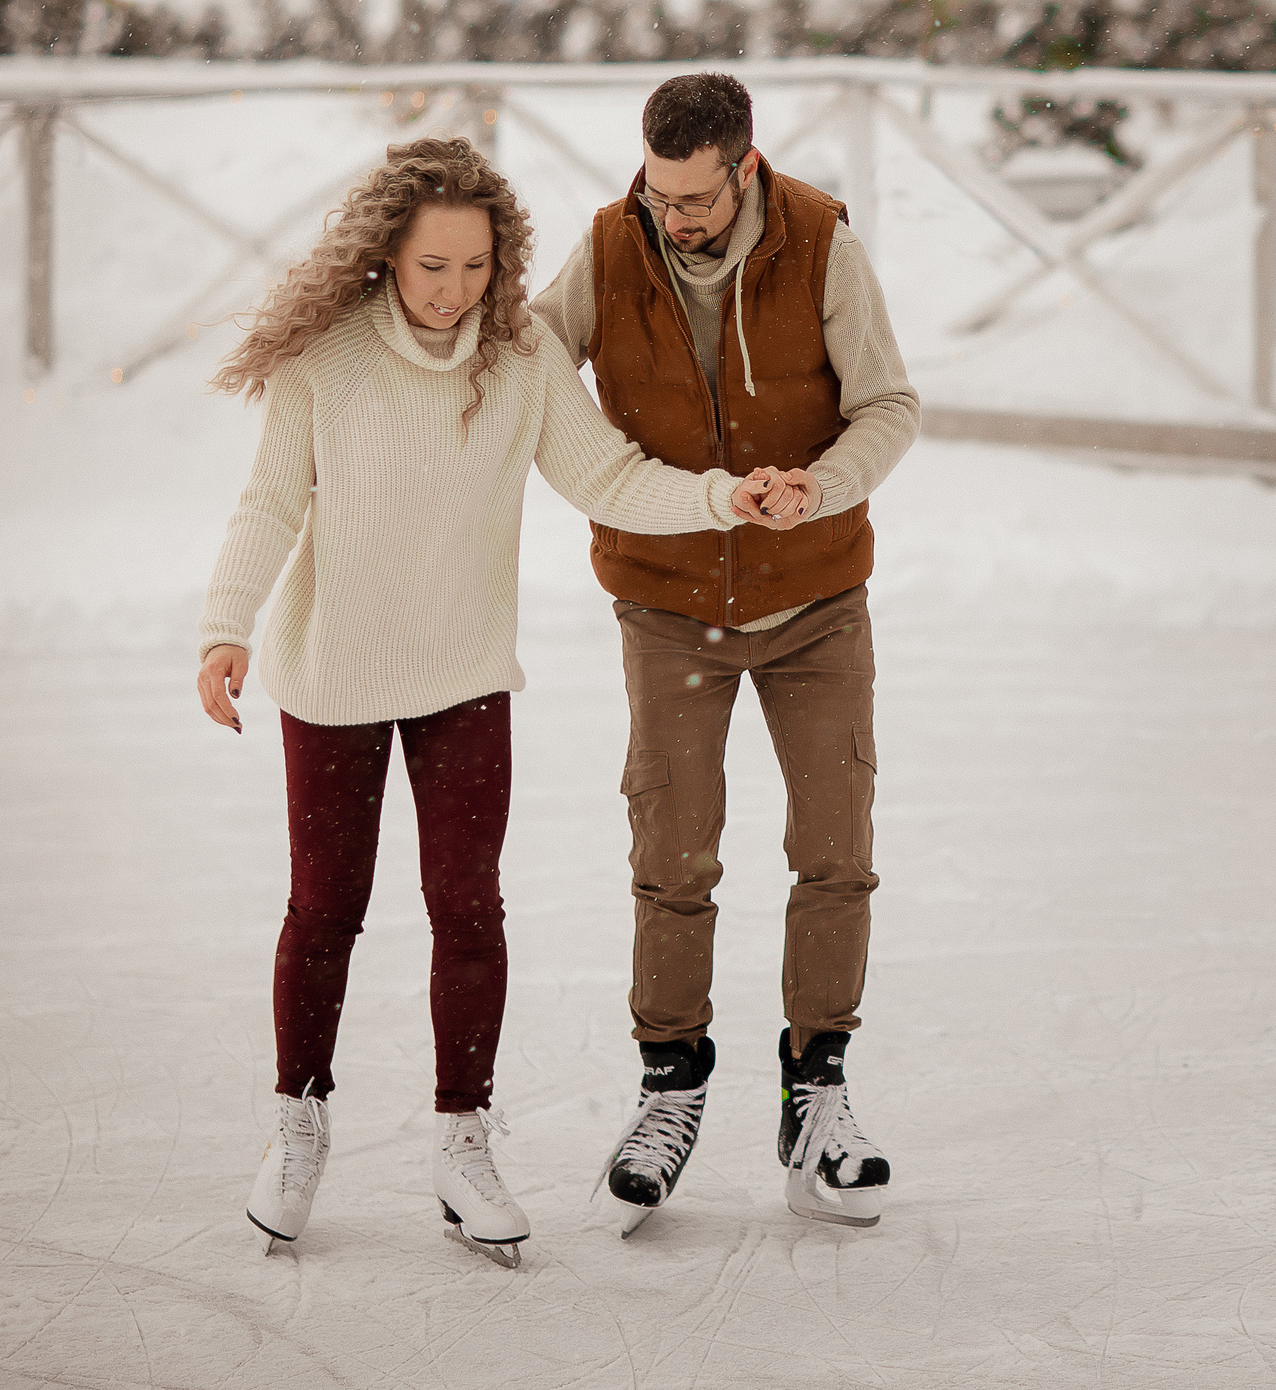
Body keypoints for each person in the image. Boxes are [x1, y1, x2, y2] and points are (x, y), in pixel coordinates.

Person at [194, 136, 773, 1267]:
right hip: (336, 680)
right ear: (385, 261)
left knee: (469, 911)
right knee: (327, 912)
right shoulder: (329, 360)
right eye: (431, 269)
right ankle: (298, 1127)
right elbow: (268, 504)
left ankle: (464, 1141)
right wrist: (226, 628)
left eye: (474, 267)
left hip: (464, 681)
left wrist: (725, 498)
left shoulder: (518, 361)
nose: (454, 290)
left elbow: (604, 477)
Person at [531, 73, 919, 1232]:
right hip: (666, 604)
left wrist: (823, 486)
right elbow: (529, 353)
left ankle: (819, 1091)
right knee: (674, 851)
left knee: (835, 849)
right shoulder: (613, 245)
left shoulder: (819, 240)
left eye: (695, 198)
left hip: (815, 598)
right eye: (658, 193)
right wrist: (616, 471)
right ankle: (671, 1088)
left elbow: (889, 405)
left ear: (744, 167)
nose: (674, 218)